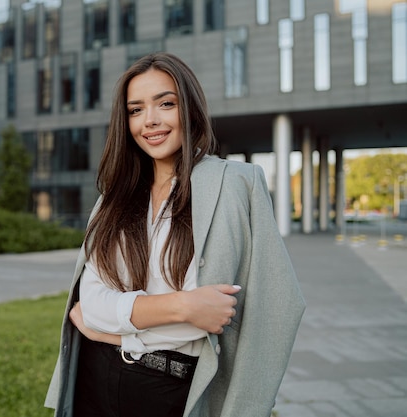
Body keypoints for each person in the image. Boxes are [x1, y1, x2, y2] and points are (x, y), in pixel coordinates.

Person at [45, 52, 305, 417]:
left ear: (191, 108)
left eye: (165, 104)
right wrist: (183, 306)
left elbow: (257, 311)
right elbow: (89, 304)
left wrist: (111, 327)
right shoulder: (116, 197)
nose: (149, 121)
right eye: (135, 110)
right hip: (96, 375)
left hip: (173, 391)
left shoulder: (235, 184)